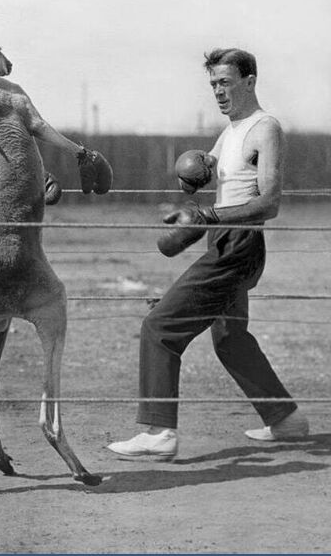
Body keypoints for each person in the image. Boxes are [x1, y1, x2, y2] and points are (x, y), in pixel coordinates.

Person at [108, 48, 309, 460]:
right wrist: (190, 183)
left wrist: (207, 213)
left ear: (249, 81)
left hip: (240, 244)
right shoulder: (230, 131)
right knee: (231, 339)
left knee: (160, 326)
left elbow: (269, 202)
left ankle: (159, 432)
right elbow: (204, 174)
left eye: (225, 82)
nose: (218, 92)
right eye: (213, 84)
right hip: (222, 241)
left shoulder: (264, 128)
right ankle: (286, 419)